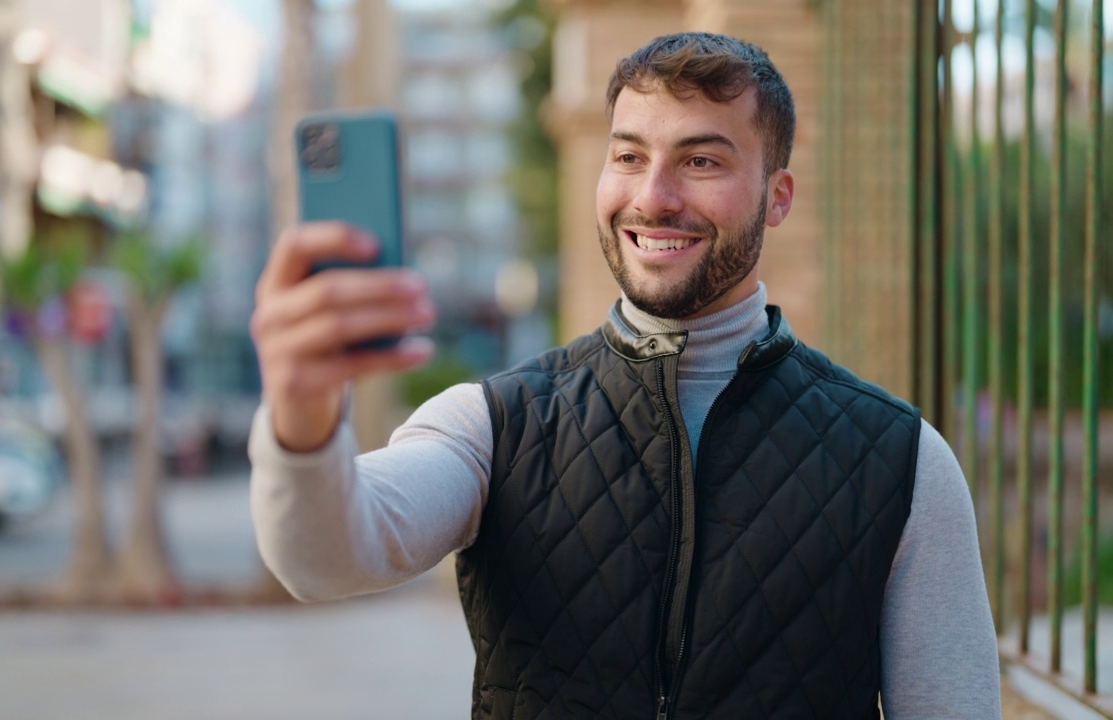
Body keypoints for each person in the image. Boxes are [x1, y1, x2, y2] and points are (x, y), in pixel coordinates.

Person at [248, 32, 1001, 719]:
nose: (653, 197)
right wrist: (301, 416)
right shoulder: (492, 424)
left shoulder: (902, 461)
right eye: (629, 155)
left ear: (778, 197)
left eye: (701, 160)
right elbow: (327, 559)